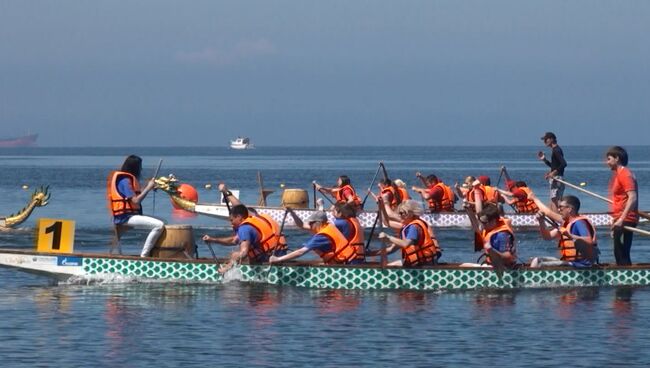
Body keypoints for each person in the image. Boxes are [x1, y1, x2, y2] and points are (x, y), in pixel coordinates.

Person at [202, 184, 287, 271]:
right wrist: (226, 192)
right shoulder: (254, 217)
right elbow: (234, 239)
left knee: (234, 255)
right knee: (236, 254)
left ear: (239, 217)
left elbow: (244, 252)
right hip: (281, 253)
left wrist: (227, 268)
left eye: (231, 220)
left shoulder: (244, 228)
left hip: (269, 259)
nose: (231, 224)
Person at [107, 155, 165, 257]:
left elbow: (136, 195)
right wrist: (148, 188)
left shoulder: (128, 180)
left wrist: (149, 187)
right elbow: (136, 201)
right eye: (140, 167)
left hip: (130, 215)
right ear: (134, 168)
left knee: (164, 223)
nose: (141, 169)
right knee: (159, 225)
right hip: (124, 217)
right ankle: (144, 255)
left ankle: (155, 252)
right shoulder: (125, 181)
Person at [529, 193, 598, 268]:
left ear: (569, 209)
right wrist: (541, 221)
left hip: (583, 264)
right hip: (570, 262)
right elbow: (547, 236)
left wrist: (569, 235)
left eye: (561, 207)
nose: (558, 210)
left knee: (539, 265)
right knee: (537, 260)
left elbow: (589, 240)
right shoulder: (567, 224)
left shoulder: (579, 223)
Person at [269, 210, 358, 265]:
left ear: (318, 222)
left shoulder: (322, 236)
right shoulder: (327, 226)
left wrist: (277, 259)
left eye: (311, 223)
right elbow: (301, 225)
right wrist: (292, 212)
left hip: (347, 264)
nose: (309, 225)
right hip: (351, 260)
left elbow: (300, 252)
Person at [372, 199, 441, 267]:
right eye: (399, 213)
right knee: (389, 265)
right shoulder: (408, 226)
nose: (399, 215)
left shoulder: (413, 227)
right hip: (422, 261)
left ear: (410, 214)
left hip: (424, 264)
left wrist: (388, 237)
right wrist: (382, 208)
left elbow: (405, 244)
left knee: (387, 267)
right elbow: (386, 222)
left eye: (402, 213)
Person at [606, 146, 639, 265]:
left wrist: (621, 219)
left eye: (609, 159)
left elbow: (632, 197)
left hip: (626, 219)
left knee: (621, 253)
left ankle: (626, 278)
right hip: (620, 218)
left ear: (617, 158)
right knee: (619, 252)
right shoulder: (619, 174)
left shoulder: (625, 174)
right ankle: (625, 277)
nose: (607, 162)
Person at [465, 202, 517, 269]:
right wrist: (469, 211)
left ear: (494, 221)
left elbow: (508, 257)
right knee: (464, 265)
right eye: (481, 222)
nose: (482, 225)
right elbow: (477, 228)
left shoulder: (501, 235)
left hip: (504, 268)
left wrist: (491, 250)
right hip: (492, 265)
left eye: (484, 223)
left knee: (464, 266)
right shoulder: (490, 227)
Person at [538, 132, 567, 211]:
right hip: (558, 177)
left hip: (557, 179)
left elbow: (564, 164)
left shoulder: (556, 150)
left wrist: (553, 173)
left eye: (546, 140)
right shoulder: (556, 150)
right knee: (556, 200)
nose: (545, 142)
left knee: (554, 200)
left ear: (551, 139)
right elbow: (555, 166)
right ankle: (559, 218)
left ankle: (557, 220)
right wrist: (544, 160)